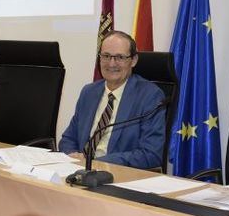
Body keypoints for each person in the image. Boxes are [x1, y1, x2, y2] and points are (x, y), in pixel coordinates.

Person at [59, 30, 165, 169]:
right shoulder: (89, 92)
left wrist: (96, 162)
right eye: (106, 56)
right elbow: (68, 139)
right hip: (79, 171)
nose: (111, 63)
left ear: (133, 60)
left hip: (119, 176)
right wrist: (73, 154)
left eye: (120, 57)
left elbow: (151, 154)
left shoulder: (150, 96)